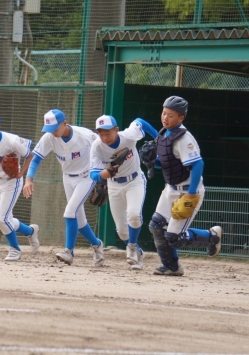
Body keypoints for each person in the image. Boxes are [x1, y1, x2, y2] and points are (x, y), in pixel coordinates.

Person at [148, 96, 222, 276]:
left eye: (170, 115)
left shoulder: (184, 138)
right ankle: (172, 267)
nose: (165, 118)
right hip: (170, 189)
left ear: (181, 118)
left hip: (188, 190)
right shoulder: (163, 133)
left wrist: (191, 193)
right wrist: (151, 161)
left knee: (175, 237)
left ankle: (212, 237)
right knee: (157, 226)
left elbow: (198, 164)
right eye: (164, 113)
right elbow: (168, 164)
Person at [23, 109, 105, 266]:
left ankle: (69, 252)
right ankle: (97, 244)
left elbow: (103, 149)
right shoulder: (49, 137)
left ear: (65, 123)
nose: (52, 132)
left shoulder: (84, 135)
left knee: (69, 213)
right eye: (49, 129)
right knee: (79, 221)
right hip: (67, 177)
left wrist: (103, 178)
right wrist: (29, 179)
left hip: (86, 176)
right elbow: (36, 158)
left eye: (55, 128)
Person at [90, 114, 157, 270]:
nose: (104, 137)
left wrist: (159, 139)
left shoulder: (128, 136)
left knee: (134, 215)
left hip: (134, 181)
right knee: (121, 231)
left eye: (107, 133)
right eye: (101, 133)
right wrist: (106, 173)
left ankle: (132, 246)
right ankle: (138, 252)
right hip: (114, 185)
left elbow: (140, 121)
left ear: (116, 130)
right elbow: (93, 174)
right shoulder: (97, 146)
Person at [0, 111, 39, 261]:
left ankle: (15, 249)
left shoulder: (12, 140)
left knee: (1, 218)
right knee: (5, 219)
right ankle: (30, 231)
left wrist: (21, 173)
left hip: (11, 182)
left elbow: (30, 155)